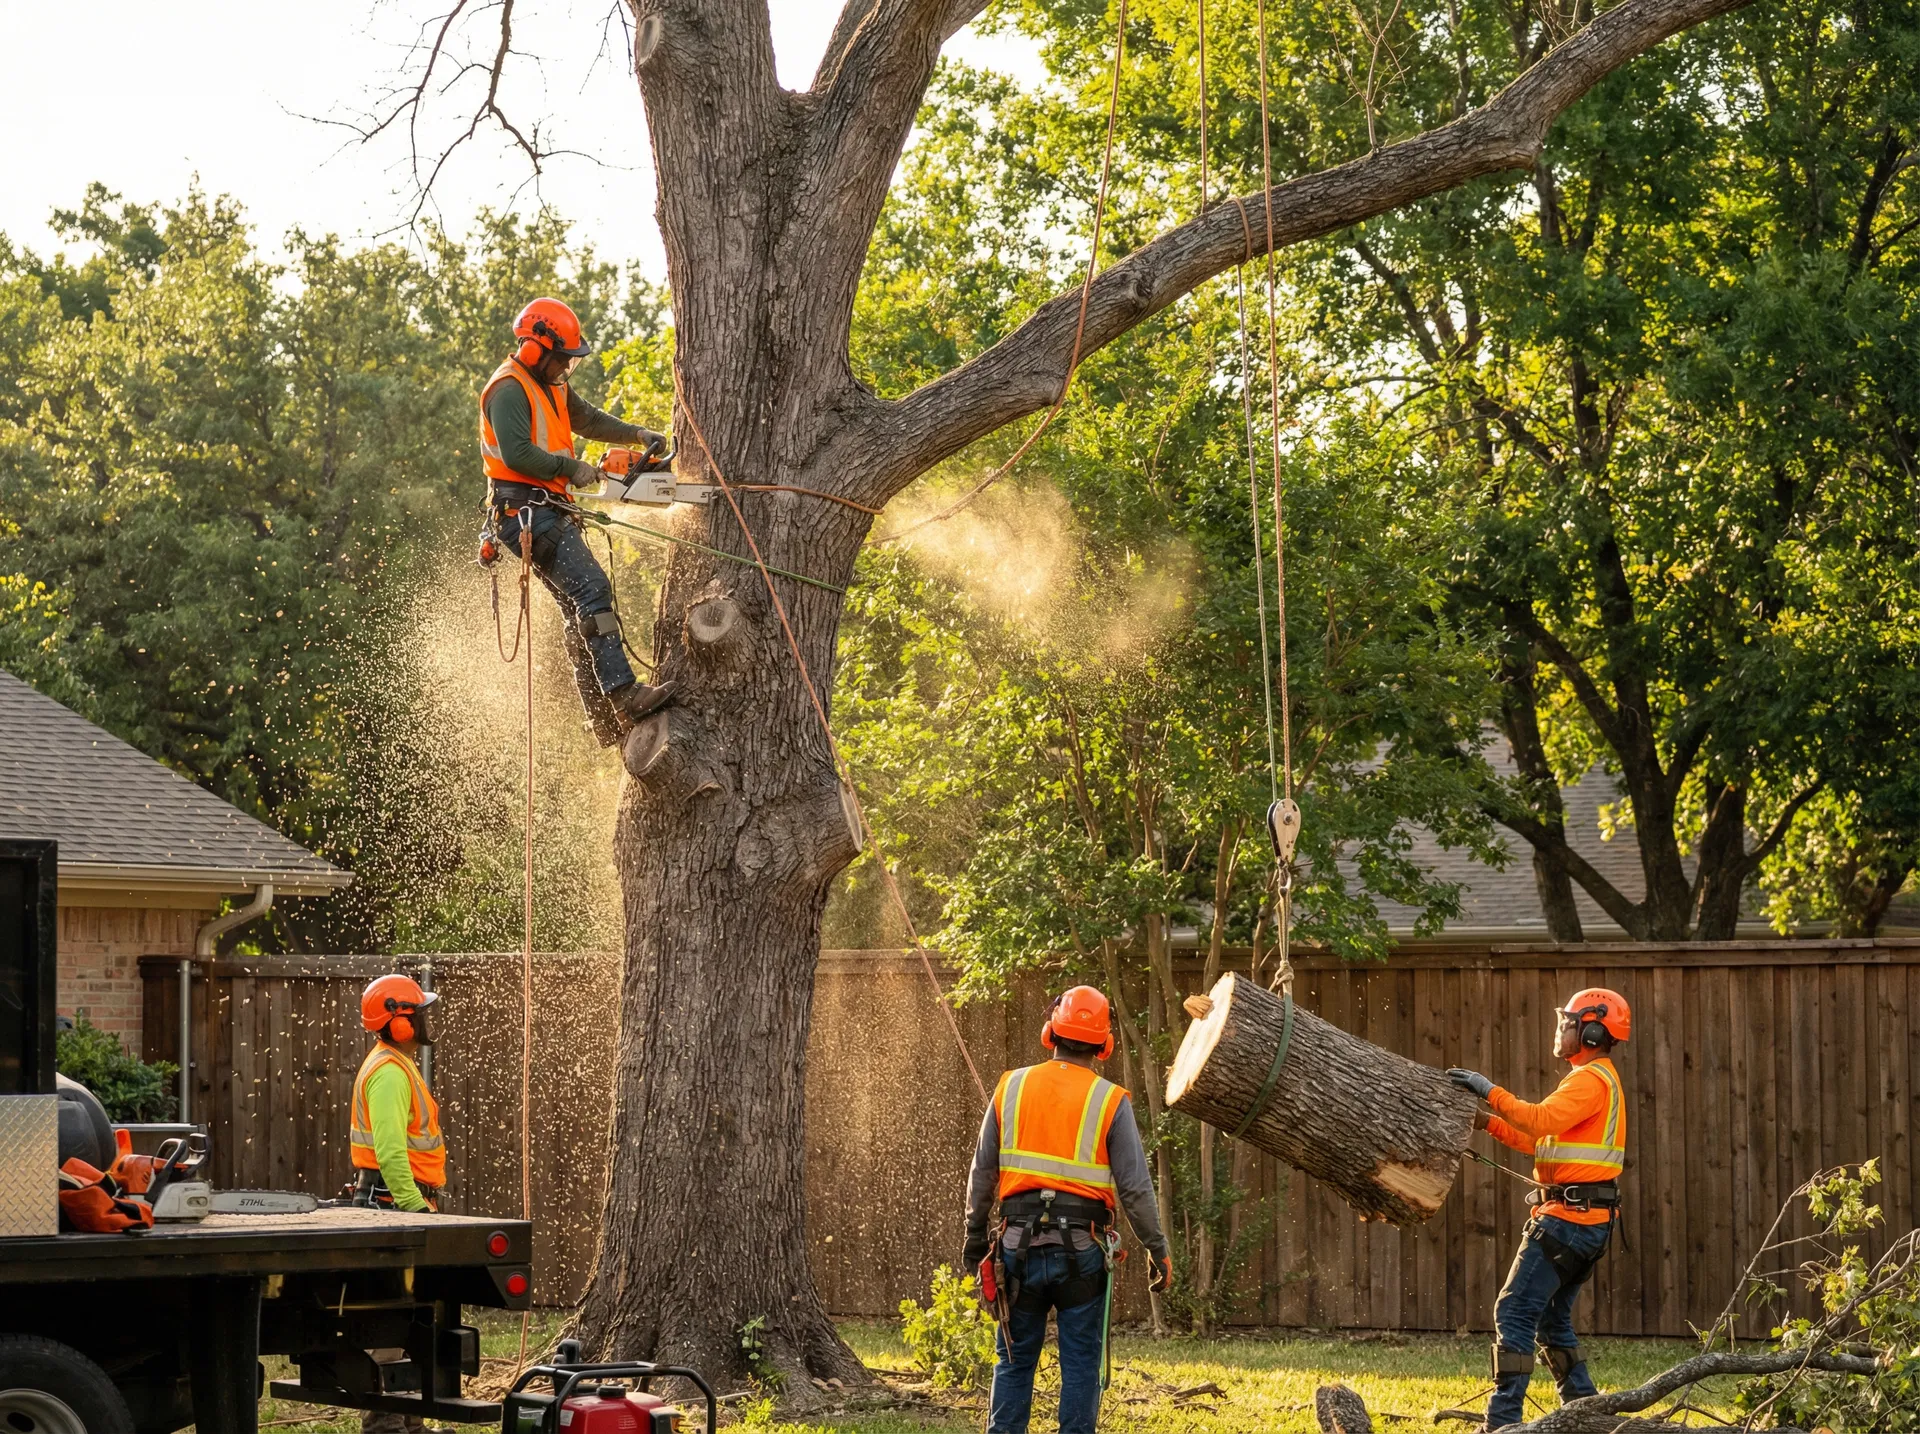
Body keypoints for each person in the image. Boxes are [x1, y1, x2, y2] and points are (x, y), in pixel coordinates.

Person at [962, 986, 1172, 1434]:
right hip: (1083, 1252)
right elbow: (1135, 1189)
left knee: (1014, 1361)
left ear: (1050, 1031)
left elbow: (982, 1174)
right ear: (1103, 1043)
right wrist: (1158, 1248)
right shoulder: (1110, 1100)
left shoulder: (1010, 1086)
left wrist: (974, 1238)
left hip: (1016, 1248)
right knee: (1081, 1365)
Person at [480, 296, 676, 745]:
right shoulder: (508, 389)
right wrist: (573, 470)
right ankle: (623, 694)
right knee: (593, 590)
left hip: (546, 508)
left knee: (577, 607)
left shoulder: (551, 384)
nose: (566, 368)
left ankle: (604, 718)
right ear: (536, 349)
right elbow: (518, 455)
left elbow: (585, 418)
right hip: (524, 514)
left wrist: (636, 434)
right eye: (562, 359)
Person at [1448, 988, 1631, 1430]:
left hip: (1568, 1221)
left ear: (1590, 1031)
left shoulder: (1591, 1079)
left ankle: (1503, 1422)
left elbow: (1538, 1120)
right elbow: (1540, 1141)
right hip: (1588, 1222)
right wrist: (1487, 1122)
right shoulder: (1590, 1079)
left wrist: (1487, 1090)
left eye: (1566, 1022)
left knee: (1513, 1312)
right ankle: (1589, 1416)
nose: (1560, 1028)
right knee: (1552, 1321)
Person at [349, 974, 450, 1434]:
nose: (426, 1018)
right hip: (393, 1201)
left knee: (410, 1314)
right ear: (401, 1023)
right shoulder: (388, 1073)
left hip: (397, 1199)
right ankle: (385, 1424)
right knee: (389, 1315)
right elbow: (390, 1153)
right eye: (419, 1011)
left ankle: (409, 1423)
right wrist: (416, 1208)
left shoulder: (396, 1064)